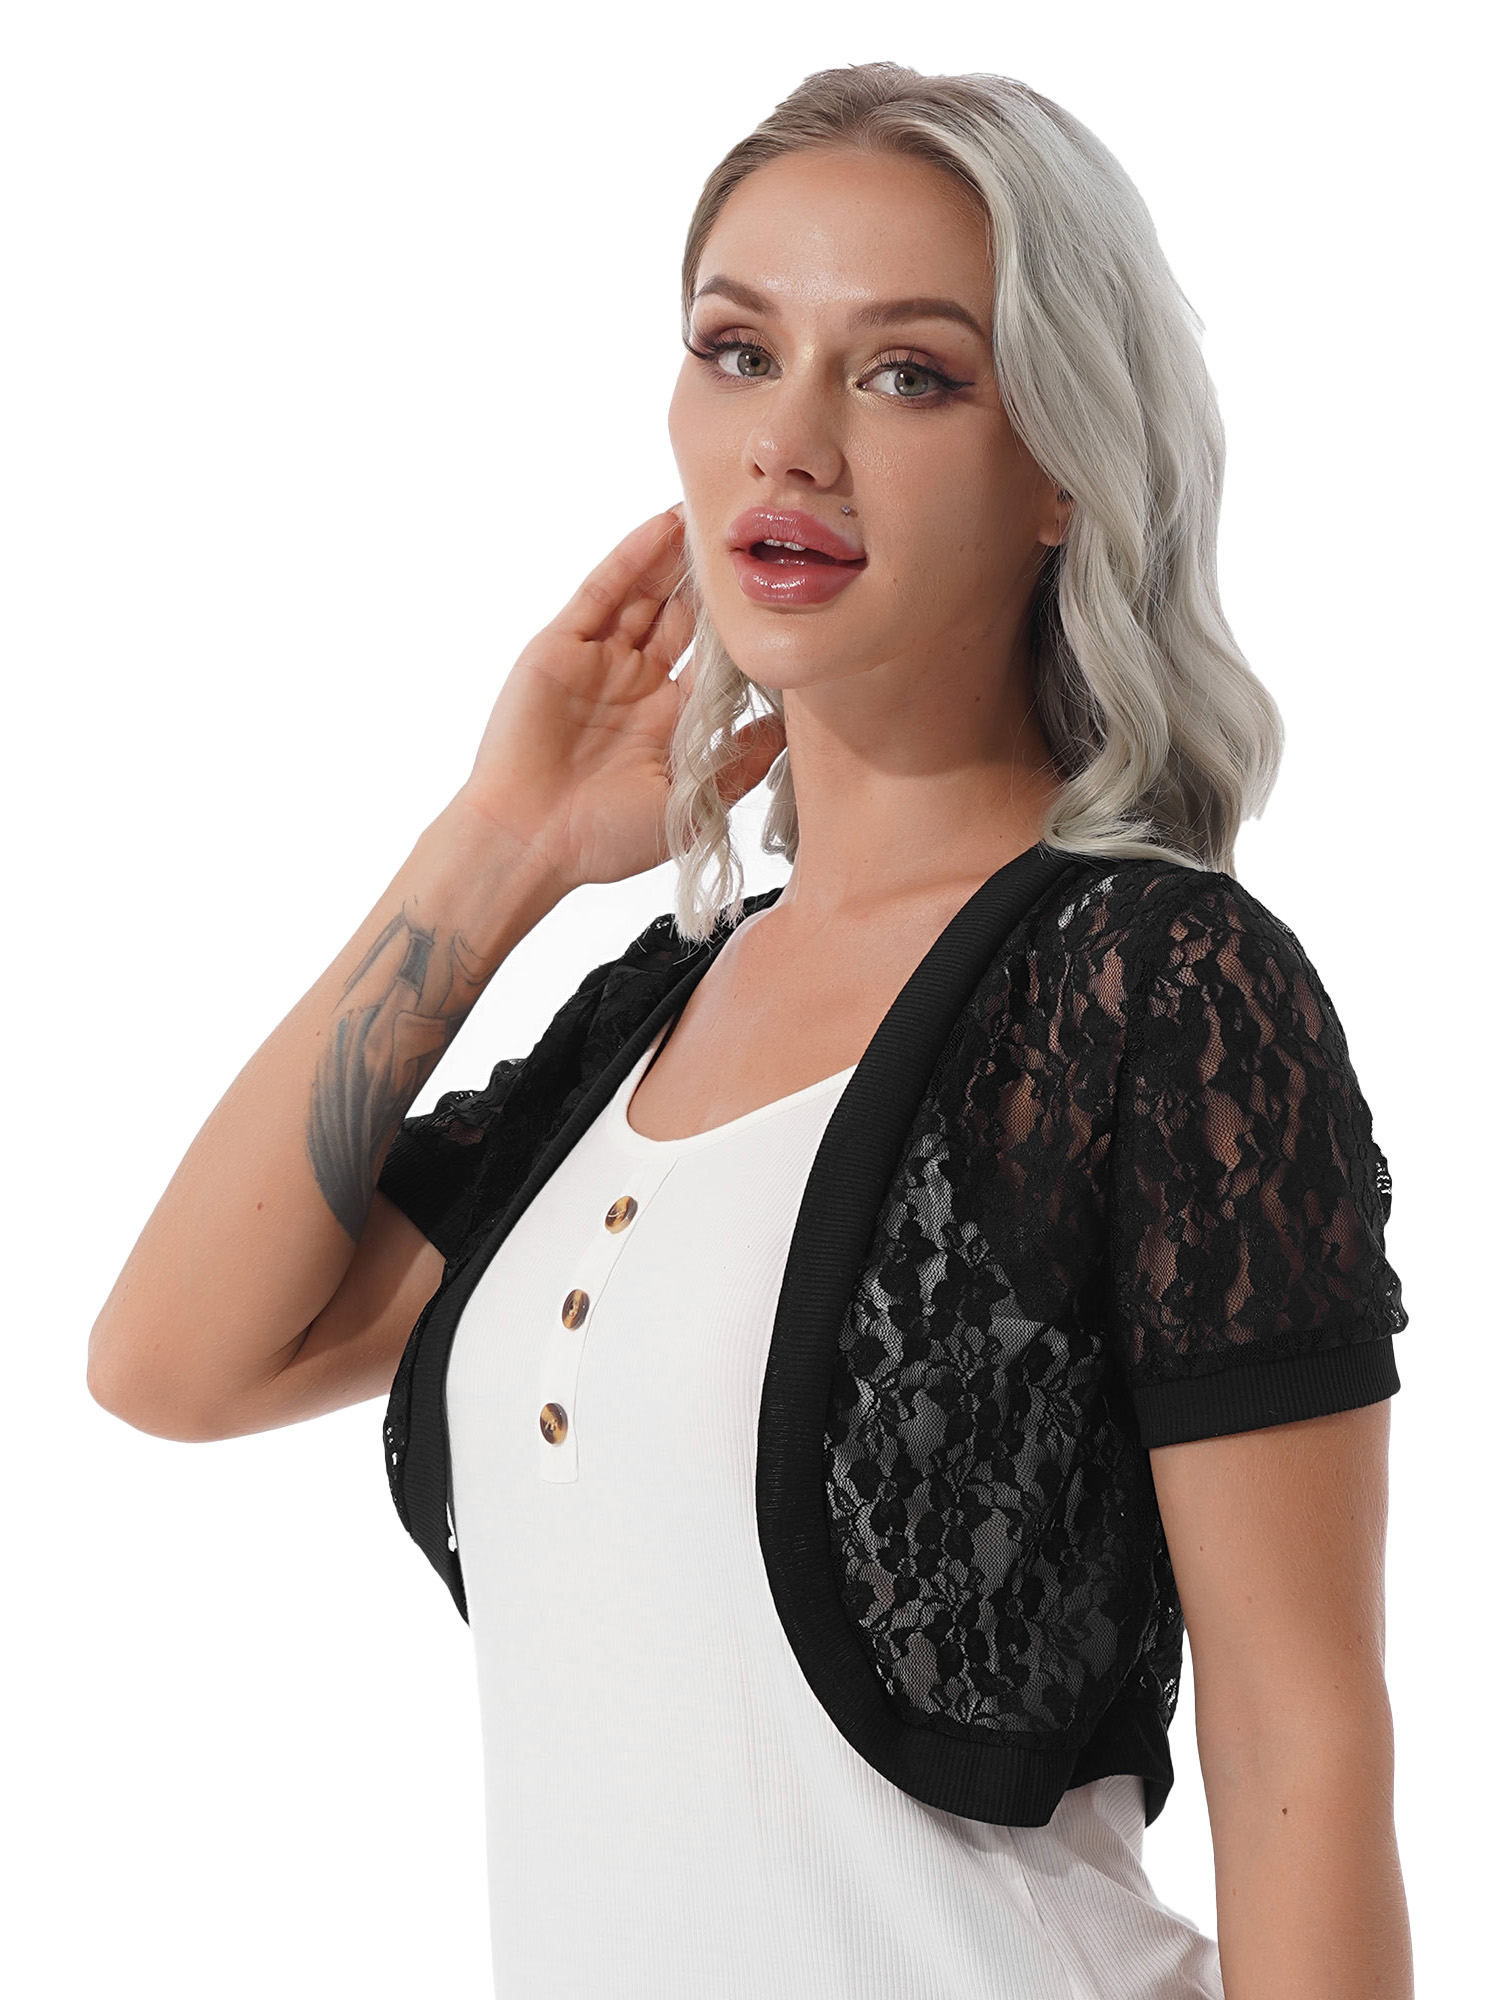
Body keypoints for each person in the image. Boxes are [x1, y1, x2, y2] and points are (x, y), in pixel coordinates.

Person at [88, 60, 1414, 2000]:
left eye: (908, 374)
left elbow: (1307, 1741)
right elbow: (174, 1358)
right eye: (737, 349)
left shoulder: (1156, 990)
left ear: (1062, 465)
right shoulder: (653, 1010)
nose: (790, 441)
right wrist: (501, 846)